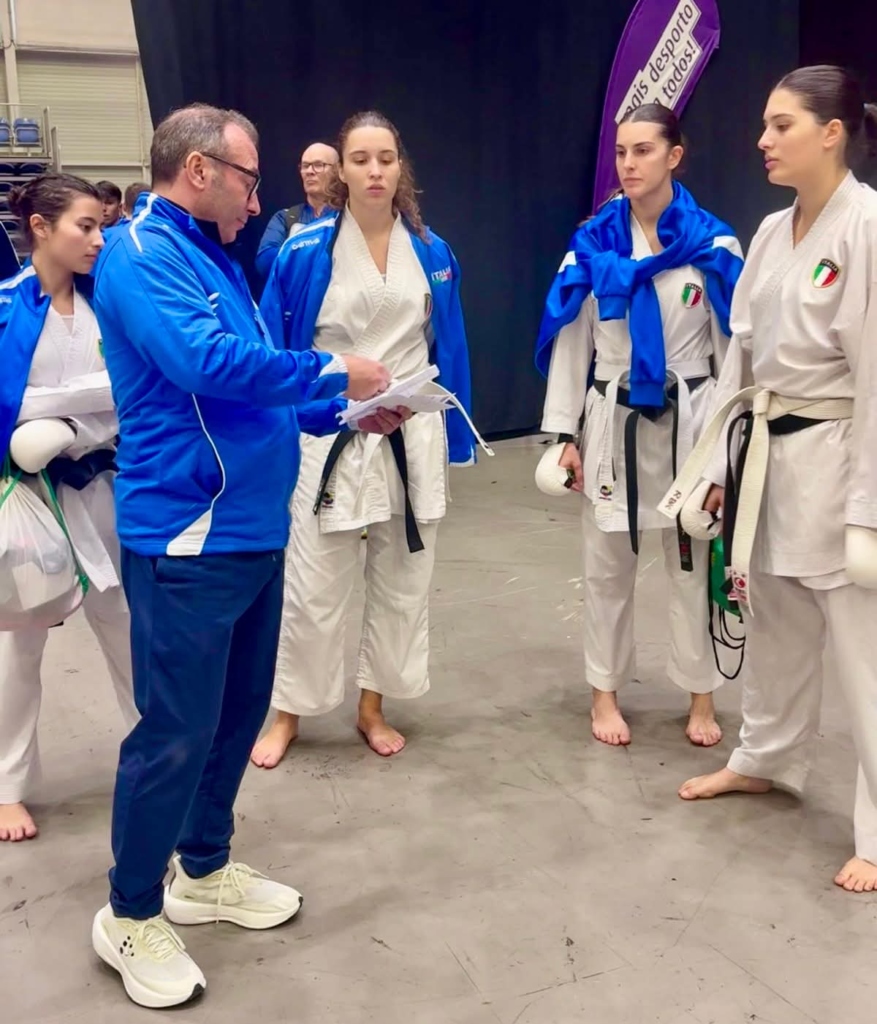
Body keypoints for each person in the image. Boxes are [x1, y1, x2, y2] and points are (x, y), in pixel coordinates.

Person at [89, 103, 389, 1009]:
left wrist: (344, 409)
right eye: (249, 179)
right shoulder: (140, 253)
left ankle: (203, 867)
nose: (260, 199)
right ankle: (129, 912)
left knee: (235, 716)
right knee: (174, 732)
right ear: (198, 170)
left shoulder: (215, 254)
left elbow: (253, 386)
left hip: (253, 529)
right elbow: (203, 363)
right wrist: (332, 368)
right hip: (188, 534)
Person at [664, 66, 877, 894]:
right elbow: (739, 361)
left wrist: (866, 510)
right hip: (768, 454)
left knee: (861, 652)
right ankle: (766, 759)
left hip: (840, 453)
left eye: (780, 124)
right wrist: (717, 466)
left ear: (831, 132)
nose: (762, 140)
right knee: (776, 620)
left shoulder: (866, 227)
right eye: (763, 124)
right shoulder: (767, 231)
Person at [251, 110, 480, 767]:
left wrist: (453, 430)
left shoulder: (432, 251)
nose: (375, 171)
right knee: (314, 580)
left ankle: (372, 707)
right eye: (361, 159)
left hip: (409, 428)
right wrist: (290, 420)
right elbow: (273, 349)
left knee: (402, 577)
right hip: (329, 427)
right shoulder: (303, 250)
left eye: (386, 158)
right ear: (341, 171)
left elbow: (448, 344)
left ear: (400, 167)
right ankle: (288, 712)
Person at [535, 103, 744, 748]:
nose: (628, 163)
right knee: (606, 568)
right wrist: (564, 436)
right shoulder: (593, 246)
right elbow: (572, 346)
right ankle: (604, 694)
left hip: (691, 421)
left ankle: (701, 696)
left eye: (644, 150)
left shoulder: (713, 245)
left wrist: (724, 457)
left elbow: (733, 355)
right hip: (613, 419)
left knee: (692, 562)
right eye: (622, 152)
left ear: (674, 156)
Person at [0, 173, 137, 843]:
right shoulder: (5, 307)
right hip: (31, 501)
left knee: (128, 630)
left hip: (103, 488)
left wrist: (65, 421)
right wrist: (71, 410)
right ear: (41, 228)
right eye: (85, 226)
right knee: (17, 648)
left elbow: (131, 395)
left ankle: (157, 757)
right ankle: (6, 788)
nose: (98, 239)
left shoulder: (105, 306)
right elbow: (9, 412)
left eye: (101, 227)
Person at [254, 141, 338, 281]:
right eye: (305, 166)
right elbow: (265, 262)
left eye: (318, 165)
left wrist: (294, 251)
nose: (309, 171)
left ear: (337, 171)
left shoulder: (346, 216)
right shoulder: (286, 217)